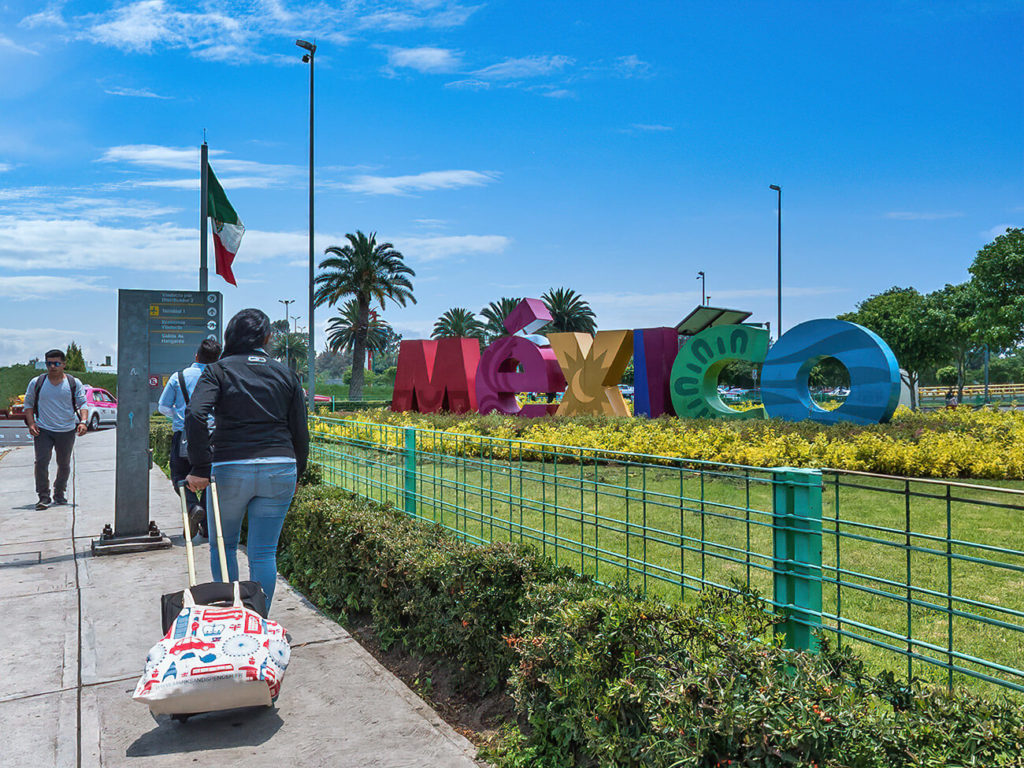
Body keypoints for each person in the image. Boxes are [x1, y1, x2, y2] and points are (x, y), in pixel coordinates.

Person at [185, 309, 308, 610]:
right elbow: (300, 431)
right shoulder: (286, 374)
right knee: (264, 552)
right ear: (266, 338)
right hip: (280, 468)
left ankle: (232, 617)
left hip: (230, 469)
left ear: (230, 336)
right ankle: (258, 620)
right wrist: (297, 474)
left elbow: (194, 414)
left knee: (223, 545)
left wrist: (200, 467)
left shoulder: (218, 370)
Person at [158, 338, 222, 537]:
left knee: (179, 476)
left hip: (184, 435)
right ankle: (206, 525)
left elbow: (163, 407)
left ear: (196, 356)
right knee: (212, 480)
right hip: (214, 436)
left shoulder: (179, 377)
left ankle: (193, 507)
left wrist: (179, 416)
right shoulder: (221, 377)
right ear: (218, 358)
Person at [23, 349, 88, 510]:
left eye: (56, 363)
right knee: (41, 461)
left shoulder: (73, 383)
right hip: (43, 429)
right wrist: (32, 424)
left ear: (64, 365)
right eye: (49, 363)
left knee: (64, 463)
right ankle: (43, 496)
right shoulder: (37, 382)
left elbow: (83, 404)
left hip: (66, 430)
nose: (53, 366)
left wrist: (84, 422)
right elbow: (28, 405)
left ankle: (59, 493)